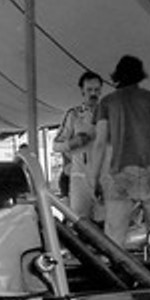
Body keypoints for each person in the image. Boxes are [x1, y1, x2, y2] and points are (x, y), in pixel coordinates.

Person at [89, 55, 150, 245]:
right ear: (140, 75)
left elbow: (100, 143)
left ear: (117, 76)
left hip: (121, 174)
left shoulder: (107, 103)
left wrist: (93, 179)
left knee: (114, 239)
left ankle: (114, 273)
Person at [52, 70, 103, 219]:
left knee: (108, 227)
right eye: (89, 90)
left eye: (97, 90)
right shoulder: (73, 115)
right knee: (80, 224)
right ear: (82, 91)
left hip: (104, 178)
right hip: (80, 178)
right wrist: (73, 143)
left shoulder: (109, 114)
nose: (93, 93)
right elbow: (56, 145)